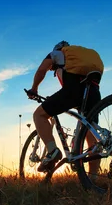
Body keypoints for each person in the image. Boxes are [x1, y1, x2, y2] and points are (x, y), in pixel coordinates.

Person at [26, 41, 104, 173]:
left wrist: (34, 89)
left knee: (39, 115)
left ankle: (52, 151)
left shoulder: (57, 53)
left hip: (74, 90)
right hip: (94, 92)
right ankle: (92, 180)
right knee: (91, 133)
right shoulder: (79, 58)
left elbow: (42, 69)